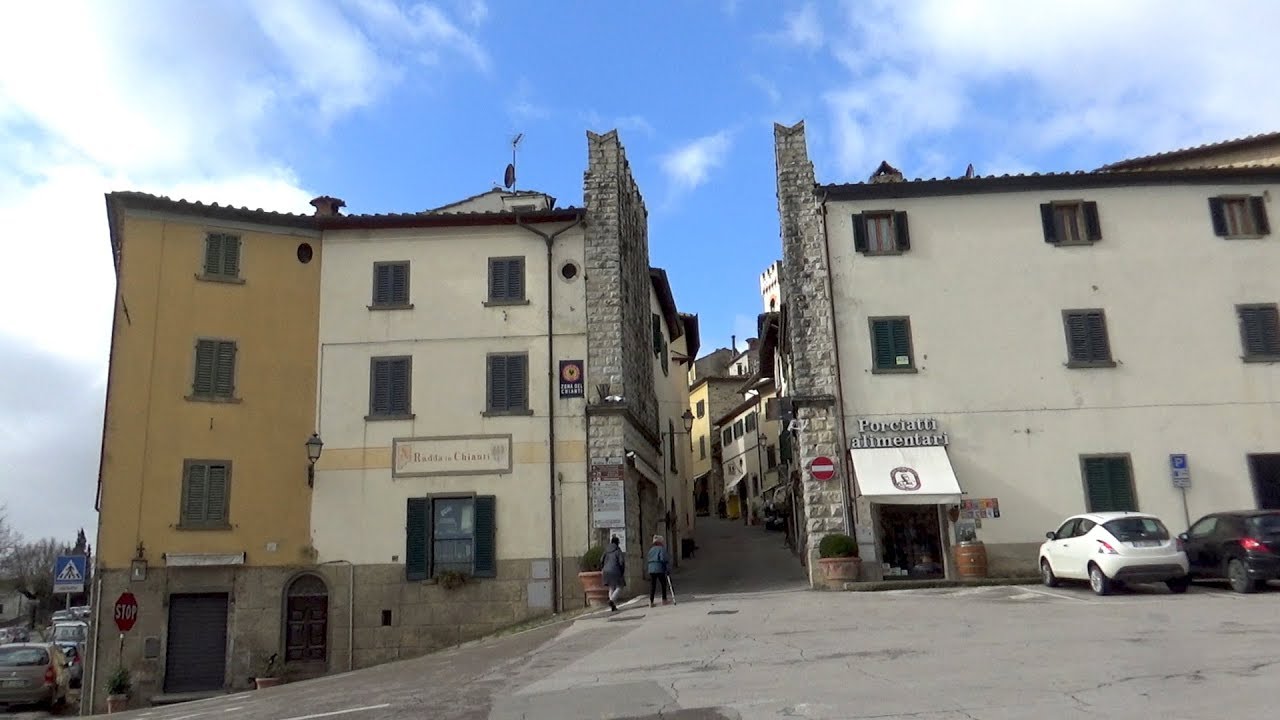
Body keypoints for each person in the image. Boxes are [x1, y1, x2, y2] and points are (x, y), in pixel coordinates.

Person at [601, 536, 626, 612]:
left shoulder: (606, 550)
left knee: (611, 587)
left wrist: (603, 567)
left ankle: (613, 606)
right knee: (620, 586)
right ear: (617, 543)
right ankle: (611, 600)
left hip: (606, 570)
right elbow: (621, 562)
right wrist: (622, 570)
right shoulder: (618, 550)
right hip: (615, 570)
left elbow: (601, 560)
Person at [646, 534, 671, 607]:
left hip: (651, 569)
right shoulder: (661, 549)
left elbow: (648, 558)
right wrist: (667, 568)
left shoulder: (651, 549)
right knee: (663, 584)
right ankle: (664, 600)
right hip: (659, 568)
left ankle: (651, 601)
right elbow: (663, 559)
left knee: (652, 585)